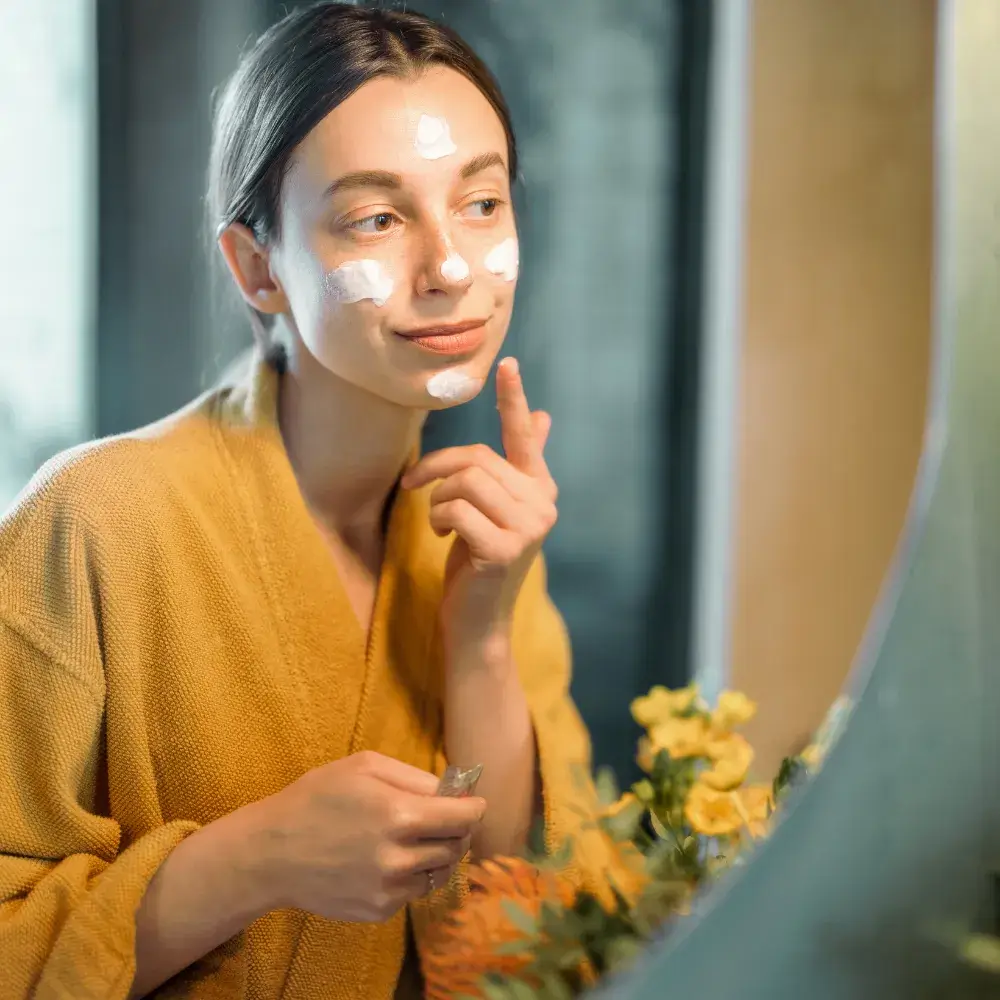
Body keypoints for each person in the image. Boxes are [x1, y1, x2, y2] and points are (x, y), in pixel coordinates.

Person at [0, 4, 621, 998]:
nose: (452, 267)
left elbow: (515, 927)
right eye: (377, 216)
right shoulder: (90, 520)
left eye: (481, 202)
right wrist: (250, 861)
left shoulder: (484, 533)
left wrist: (484, 637)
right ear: (258, 266)